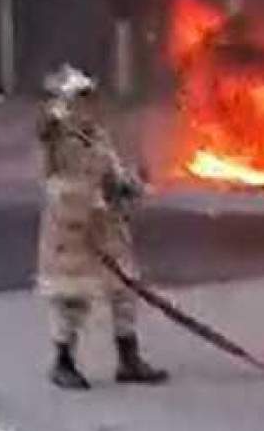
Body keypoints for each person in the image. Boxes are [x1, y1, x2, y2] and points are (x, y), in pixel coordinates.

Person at [35, 65, 168, 390]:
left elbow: (112, 173)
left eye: (90, 98)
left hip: (107, 226)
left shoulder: (97, 137)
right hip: (72, 230)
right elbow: (46, 134)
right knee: (71, 295)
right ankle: (63, 362)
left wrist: (130, 185)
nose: (89, 106)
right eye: (81, 99)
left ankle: (128, 359)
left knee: (123, 291)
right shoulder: (58, 140)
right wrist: (57, 105)